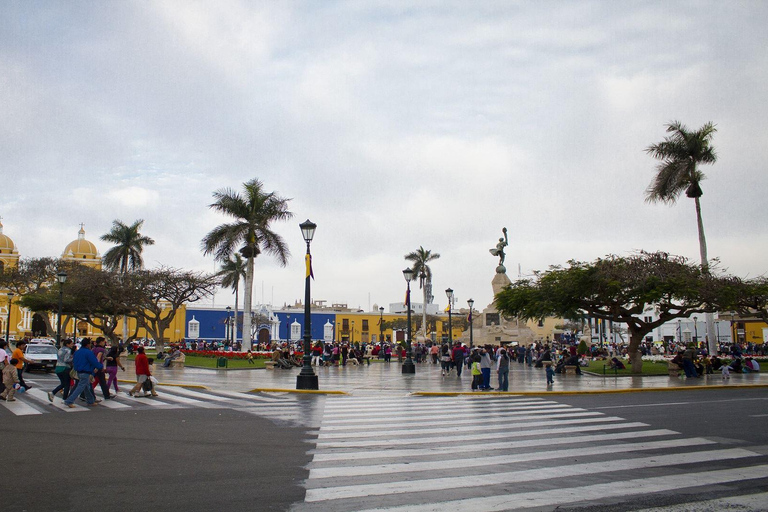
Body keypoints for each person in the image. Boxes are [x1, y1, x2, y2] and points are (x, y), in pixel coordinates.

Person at [63, 338, 103, 408]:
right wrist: (100, 367)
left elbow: (74, 361)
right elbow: (94, 362)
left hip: (78, 371)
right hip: (86, 371)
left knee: (86, 387)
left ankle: (90, 401)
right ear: (88, 344)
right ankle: (69, 401)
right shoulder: (88, 352)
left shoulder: (77, 352)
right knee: (80, 387)